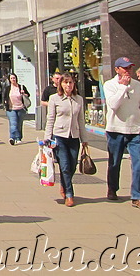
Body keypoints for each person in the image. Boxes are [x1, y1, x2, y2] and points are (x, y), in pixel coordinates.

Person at [104, 57, 140, 210]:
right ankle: (112, 188)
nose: (128, 71)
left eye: (130, 68)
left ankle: (138, 197)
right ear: (117, 69)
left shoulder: (138, 86)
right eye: (124, 68)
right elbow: (113, 105)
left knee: (138, 164)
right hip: (115, 130)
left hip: (135, 130)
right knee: (114, 162)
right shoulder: (109, 85)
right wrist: (123, 87)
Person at [44, 73, 87, 207]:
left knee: (73, 164)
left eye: (71, 83)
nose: (68, 85)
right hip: (59, 136)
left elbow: (81, 120)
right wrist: (47, 138)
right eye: (66, 83)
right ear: (61, 84)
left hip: (73, 136)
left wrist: (84, 139)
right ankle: (69, 194)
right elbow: (50, 119)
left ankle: (64, 183)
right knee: (65, 165)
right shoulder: (54, 99)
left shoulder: (78, 99)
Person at [2, 73, 30, 145]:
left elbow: (28, 95)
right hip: (11, 109)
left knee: (19, 124)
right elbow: (5, 97)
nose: (13, 79)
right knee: (13, 123)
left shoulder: (21, 87)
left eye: (14, 78)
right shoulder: (8, 88)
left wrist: (24, 93)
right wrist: (5, 103)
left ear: (16, 78)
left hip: (21, 108)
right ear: (9, 80)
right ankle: (12, 138)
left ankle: (18, 138)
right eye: (11, 78)